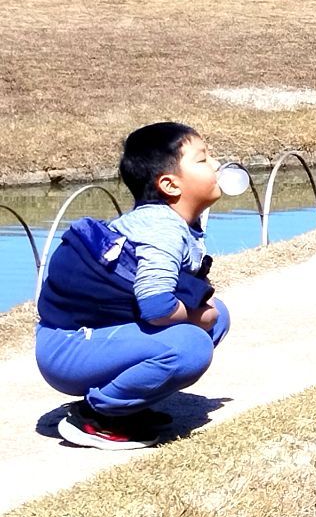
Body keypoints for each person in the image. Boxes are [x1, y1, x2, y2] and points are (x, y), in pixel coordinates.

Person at [36, 123, 232, 449]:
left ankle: (126, 408)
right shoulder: (163, 229)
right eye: (203, 160)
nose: (216, 165)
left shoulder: (165, 221)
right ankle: (96, 416)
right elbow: (156, 306)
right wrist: (200, 319)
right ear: (169, 184)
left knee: (218, 315)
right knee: (193, 343)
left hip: (85, 339)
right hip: (69, 348)